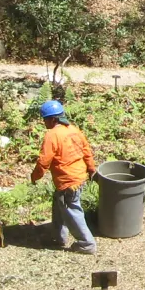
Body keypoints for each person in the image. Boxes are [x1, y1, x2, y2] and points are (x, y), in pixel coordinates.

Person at [30, 99, 98, 255]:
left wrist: (35, 177)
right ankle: (58, 236)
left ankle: (87, 244)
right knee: (58, 203)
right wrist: (91, 170)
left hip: (68, 181)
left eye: (45, 119)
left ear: (53, 119)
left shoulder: (52, 135)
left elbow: (43, 161)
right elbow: (87, 152)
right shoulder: (74, 130)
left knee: (72, 209)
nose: (44, 123)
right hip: (79, 177)